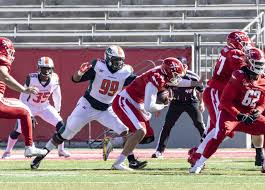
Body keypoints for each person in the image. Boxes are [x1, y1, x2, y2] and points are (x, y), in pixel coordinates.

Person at [30, 45, 145, 170]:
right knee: (65, 133)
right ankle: (39, 157)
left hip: (106, 109)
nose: (118, 64)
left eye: (120, 61)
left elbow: (138, 83)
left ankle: (131, 160)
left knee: (126, 132)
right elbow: (75, 79)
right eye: (115, 60)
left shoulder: (126, 71)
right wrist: (80, 72)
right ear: (107, 58)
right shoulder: (98, 66)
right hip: (87, 106)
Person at [109, 57, 203, 170]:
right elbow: (149, 107)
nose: (177, 78)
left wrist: (194, 83)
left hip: (136, 102)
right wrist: (164, 105)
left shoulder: (164, 73)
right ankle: (119, 162)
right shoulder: (156, 79)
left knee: (148, 136)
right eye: (176, 75)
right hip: (125, 101)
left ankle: (115, 142)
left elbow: (178, 81)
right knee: (140, 131)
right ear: (169, 72)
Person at [188, 31, 263, 166]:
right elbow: (247, 70)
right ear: (235, 44)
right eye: (244, 44)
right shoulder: (234, 54)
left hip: (221, 91)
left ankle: (197, 153)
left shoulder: (230, 51)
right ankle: (197, 155)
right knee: (220, 130)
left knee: (216, 129)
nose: (247, 46)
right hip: (217, 92)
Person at [2, 56, 70, 159]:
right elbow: (23, 97)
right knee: (18, 129)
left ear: (52, 69)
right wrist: (27, 113)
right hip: (29, 106)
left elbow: (57, 95)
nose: (46, 71)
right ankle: (7, 152)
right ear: (39, 68)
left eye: (48, 68)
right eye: (44, 68)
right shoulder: (31, 78)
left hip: (44, 106)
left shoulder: (55, 78)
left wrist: (58, 110)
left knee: (61, 125)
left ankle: (61, 150)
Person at [0, 37, 47, 157]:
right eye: (9, 51)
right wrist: (24, 89)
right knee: (25, 111)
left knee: (17, 103)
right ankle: (29, 147)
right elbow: (4, 76)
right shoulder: (2, 60)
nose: (11, 54)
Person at [152, 56, 206, 158]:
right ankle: (159, 151)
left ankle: (207, 146)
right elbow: (162, 90)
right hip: (176, 102)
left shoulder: (193, 77)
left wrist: (201, 103)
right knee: (167, 126)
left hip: (191, 101)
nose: (176, 71)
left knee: (199, 124)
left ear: (185, 66)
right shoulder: (170, 77)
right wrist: (159, 105)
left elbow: (201, 90)